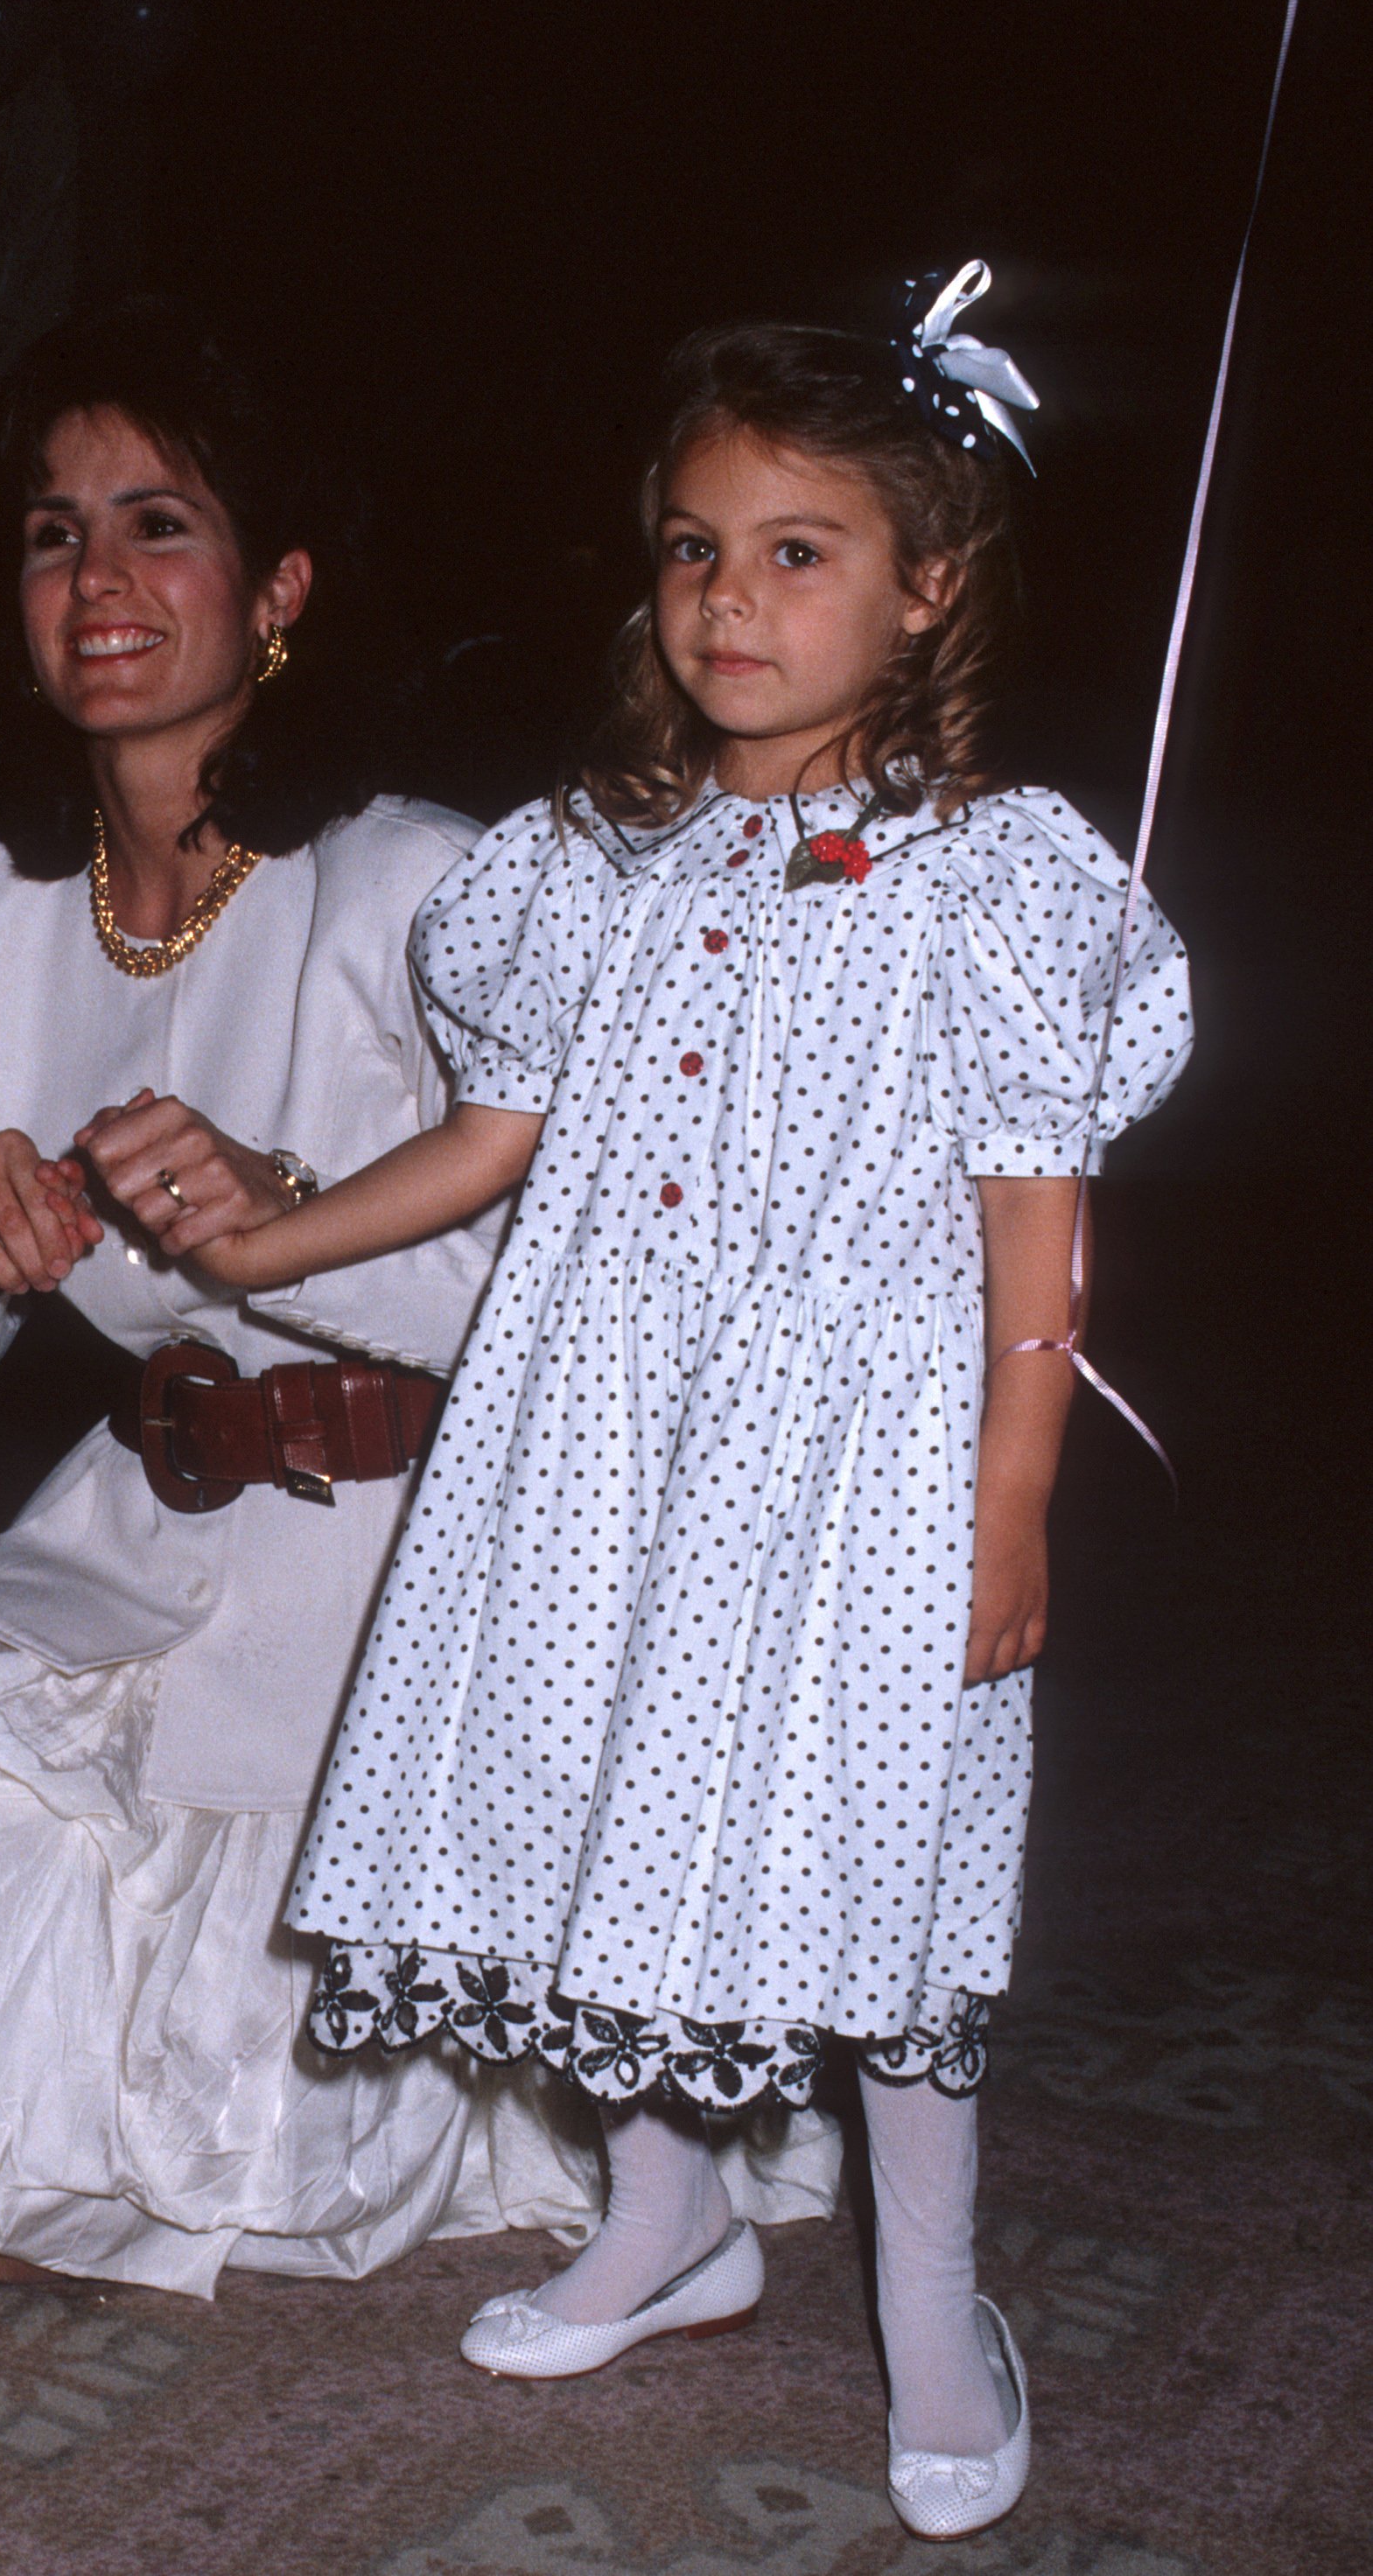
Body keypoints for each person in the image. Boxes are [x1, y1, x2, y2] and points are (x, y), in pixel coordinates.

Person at [170, 284, 1191, 2535]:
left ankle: (931, 2289)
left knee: (869, 1863)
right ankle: (668, 2221)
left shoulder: (997, 880)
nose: (731, 599)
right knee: (586, 1806)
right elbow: (496, 1134)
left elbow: (1042, 1227)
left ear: (927, 585)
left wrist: (1012, 1502)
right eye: (693, 548)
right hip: (595, 1429)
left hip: (859, 1463)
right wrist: (276, 1237)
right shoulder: (585, 865)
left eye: (797, 549)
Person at [0, 304, 835, 2296]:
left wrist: (293, 1214)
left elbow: (586, 1311)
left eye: (159, 523)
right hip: (142, 1512)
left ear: (279, 585)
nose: (99, 580)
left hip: (428, 1549)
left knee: (288, 2102)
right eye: (53, 536)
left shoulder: (419, 883)